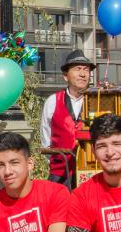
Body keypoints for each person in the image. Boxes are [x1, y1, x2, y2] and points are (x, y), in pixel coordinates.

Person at [40, 50, 95, 188]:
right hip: (59, 175)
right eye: (78, 69)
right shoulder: (53, 101)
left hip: (90, 172)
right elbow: (46, 138)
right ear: (65, 76)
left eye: (86, 70)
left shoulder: (97, 101)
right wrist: (56, 163)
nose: (83, 74)